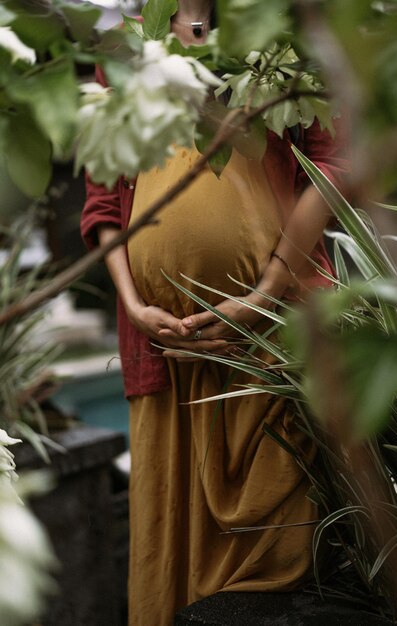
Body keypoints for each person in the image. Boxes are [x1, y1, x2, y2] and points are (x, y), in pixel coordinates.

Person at [81, 1, 348, 624]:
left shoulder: (281, 31)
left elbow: (331, 167)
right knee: (173, 559)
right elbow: (104, 196)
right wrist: (135, 304)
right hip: (165, 355)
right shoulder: (121, 45)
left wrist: (264, 293)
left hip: (274, 338)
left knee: (278, 551)